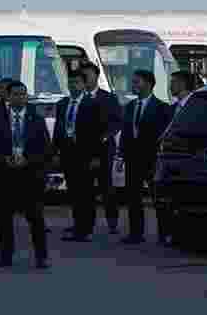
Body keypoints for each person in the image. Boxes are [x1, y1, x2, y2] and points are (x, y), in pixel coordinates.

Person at [0, 78, 54, 270]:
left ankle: (41, 257)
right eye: (15, 94)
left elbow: (45, 148)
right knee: (5, 219)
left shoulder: (36, 119)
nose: (20, 98)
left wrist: (29, 160)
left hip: (29, 175)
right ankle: (5, 256)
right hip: (6, 175)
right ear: (8, 96)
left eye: (23, 94)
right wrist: (2, 158)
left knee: (35, 218)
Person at [58, 65, 121, 240]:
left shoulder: (103, 100)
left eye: (81, 79)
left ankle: (106, 221)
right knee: (78, 191)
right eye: (71, 82)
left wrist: (101, 145)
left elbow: (110, 124)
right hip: (72, 153)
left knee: (102, 187)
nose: (74, 85)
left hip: (98, 151)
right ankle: (81, 224)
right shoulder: (64, 103)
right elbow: (60, 130)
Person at [116, 69, 175, 244]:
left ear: (148, 84)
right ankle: (136, 233)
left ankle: (164, 234)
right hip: (132, 158)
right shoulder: (129, 106)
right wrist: (121, 155)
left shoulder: (162, 108)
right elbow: (126, 132)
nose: (133, 85)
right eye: (133, 82)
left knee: (158, 198)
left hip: (152, 159)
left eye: (137, 82)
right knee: (133, 197)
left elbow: (164, 135)